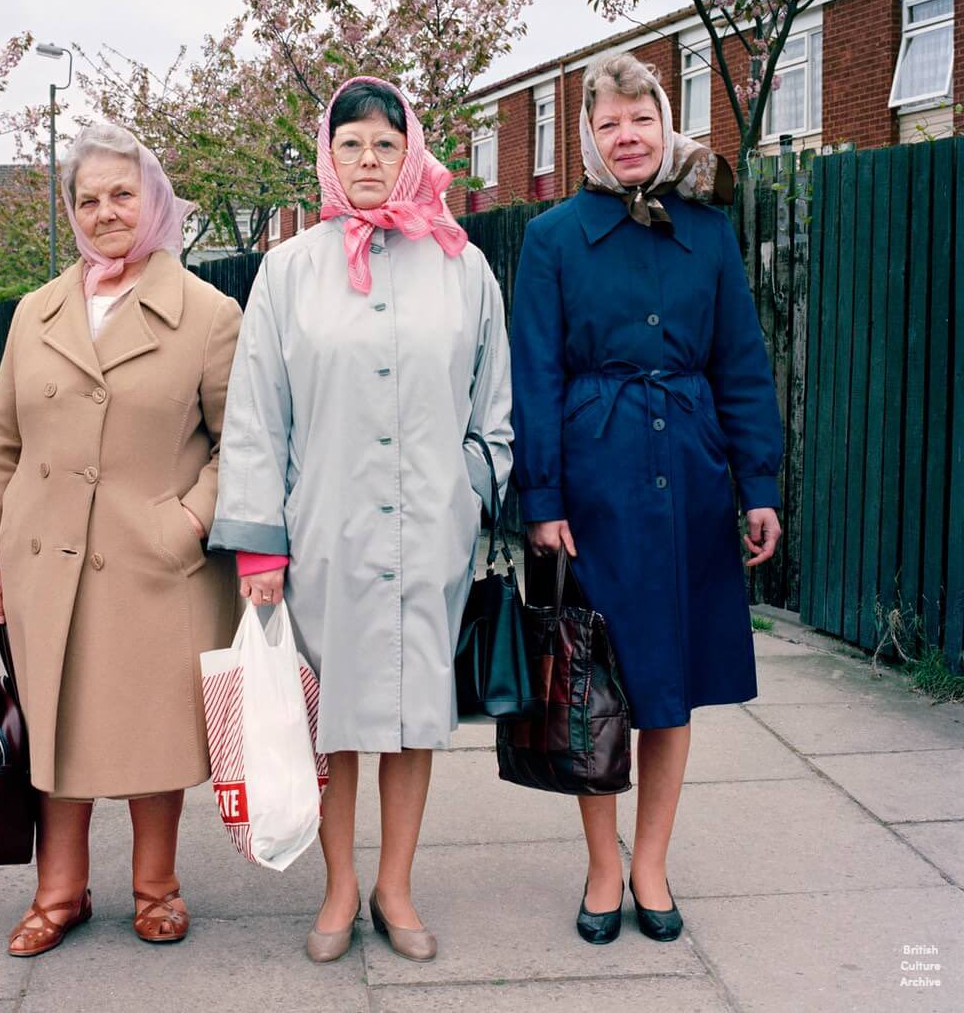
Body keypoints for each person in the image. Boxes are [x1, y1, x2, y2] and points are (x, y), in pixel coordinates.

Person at [209, 77, 512, 963]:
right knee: (335, 716)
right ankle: (340, 886)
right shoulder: (291, 269)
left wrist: (468, 488)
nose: (369, 160)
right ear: (328, 156)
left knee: (415, 714)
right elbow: (256, 413)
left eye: (385, 143)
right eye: (352, 145)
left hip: (430, 532)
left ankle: (396, 885)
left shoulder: (463, 265)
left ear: (410, 149)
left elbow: (495, 406)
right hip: (325, 533)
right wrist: (261, 540)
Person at [510, 53, 783, 946]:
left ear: (665, 123)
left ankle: (653, 862)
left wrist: (759, 485)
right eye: (610, 122)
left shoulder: (705, 231)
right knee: (594, 685)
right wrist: (543, 498)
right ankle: (601, 865)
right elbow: (535, 378)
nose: (627, 136)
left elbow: (740, 364)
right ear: (588, 134)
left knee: (673, 684)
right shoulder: (552, 239)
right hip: (593, 490)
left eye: (642, 118)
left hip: (693, 482)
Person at [0, 123, 242, 956]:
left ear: (151, 198)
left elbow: (243, 443)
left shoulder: (208, 313)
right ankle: (60, 894)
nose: (106, 211)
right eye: (88, 199)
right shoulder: (35, 312)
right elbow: (2, 442)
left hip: (156, 561)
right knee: (55, 727)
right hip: (44, 560)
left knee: (150, 731)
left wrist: (188, 521)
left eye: (122, 193)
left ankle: (158, 888)